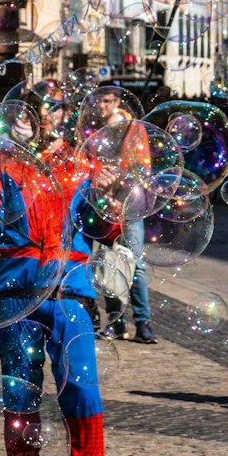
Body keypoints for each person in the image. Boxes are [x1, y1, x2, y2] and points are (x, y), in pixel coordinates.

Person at [0, 94, 124, 456]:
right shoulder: (3, 166)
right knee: (18, 393)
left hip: (68, 294)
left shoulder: (82, 166)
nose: (34, 121)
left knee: (82, 391)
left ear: (62, 119)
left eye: (47, 112)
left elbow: (106, 230)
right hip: (16, 296)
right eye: (24, 114)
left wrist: (109, 197)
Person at [91, 83, 155, 344]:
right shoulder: (96, 132)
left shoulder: (134, 129)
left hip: (130, 206)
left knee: (135, 263)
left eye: (108, 101)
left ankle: (143, 323)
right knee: (108, 262)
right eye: (100, 101)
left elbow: (143, 168)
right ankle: (117, 322)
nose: (103, 106)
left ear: (117, 102)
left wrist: (121, 173)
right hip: (105, 205)